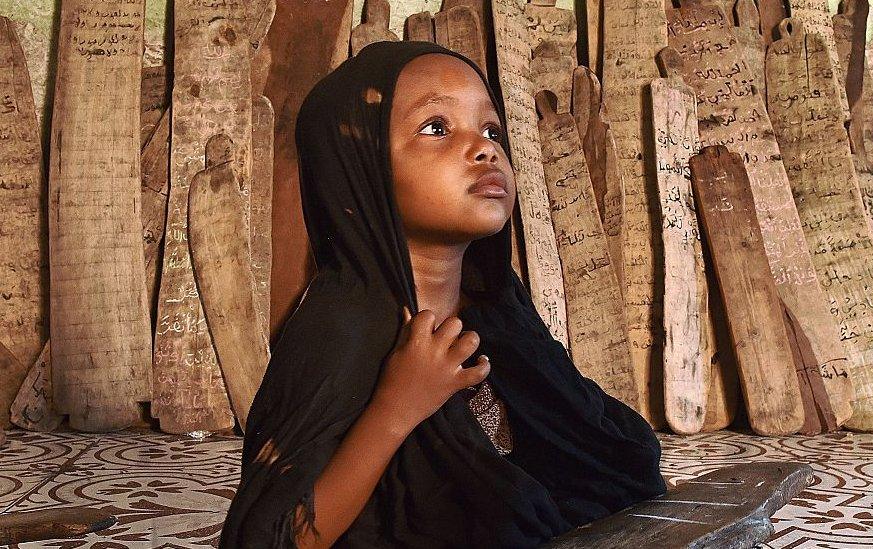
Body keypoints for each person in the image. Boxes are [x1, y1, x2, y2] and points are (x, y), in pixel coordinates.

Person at [219, 40, 666, 549]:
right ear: (361, 170)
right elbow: (272, 539)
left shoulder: (498, 313)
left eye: (491, 129)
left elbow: (599, 454)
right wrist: (396, 407)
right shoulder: (345, 328)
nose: (484, 148)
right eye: (436, 128)